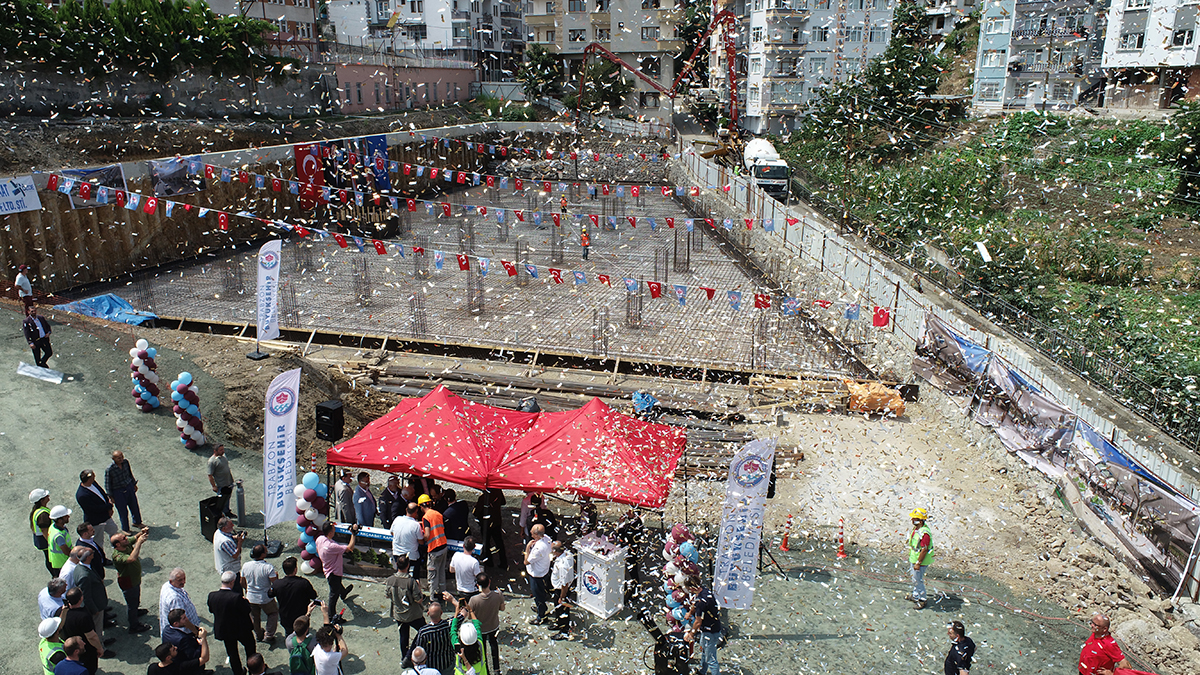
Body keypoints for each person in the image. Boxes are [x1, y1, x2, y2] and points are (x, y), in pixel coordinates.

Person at [208, 570, 258, 675]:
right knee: (250, 648)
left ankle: (238, 672)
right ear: (232, 582)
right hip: (241, 629)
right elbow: (246, 609)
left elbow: (211, 610)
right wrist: (245, 601)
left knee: (232, 653)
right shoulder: (236, 597)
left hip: (225, 630)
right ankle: (253, 669)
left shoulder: (212, 596)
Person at [111, 527, 154, 634]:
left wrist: (141, 533)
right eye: (124, 538)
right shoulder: (118, 556)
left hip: (134, 580)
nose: (126, 538)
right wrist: (139, 543)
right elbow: (131, 559)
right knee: (132, 604)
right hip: (128, 583)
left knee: (135, 600)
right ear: (118, 544)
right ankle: (134, 626)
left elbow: (134, 538)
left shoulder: (125, 544)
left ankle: (136, 612)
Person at [316, 521, 358, 616]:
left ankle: (343, 593)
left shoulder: (320, 539)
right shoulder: (332, 546)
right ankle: (331, 616)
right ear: (330, 533)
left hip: (327, 568)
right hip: (334, 572)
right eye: (334, 529)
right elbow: (350, 548)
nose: (335, 531)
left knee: (337, 584)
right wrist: (353, 534)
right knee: (333, 595)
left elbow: (317, 548)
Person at [61, 588, 109, 671]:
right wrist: (99, 648)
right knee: (90, 669)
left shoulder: (62, 613)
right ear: (81, 598)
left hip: (71, 649)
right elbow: (91, 636)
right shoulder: (83, 616)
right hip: (85, 650)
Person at [387, 557, 426, 655]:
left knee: (403, 637)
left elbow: (387, 595)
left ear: (396, 564)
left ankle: (404, 657)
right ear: (408, 566)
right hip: (413, 614)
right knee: (424, 631)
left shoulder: (390, 580)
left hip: (399, 614)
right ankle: (411, 653)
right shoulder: (411, 582)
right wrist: (419, 587)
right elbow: (419, 599)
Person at [467, 573, 505, 675]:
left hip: (480, 629)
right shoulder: (498, 595)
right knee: (494, 645)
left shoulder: (474, 599)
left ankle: (486, 670)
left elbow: (469, 616)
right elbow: (502, 608)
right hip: (493, 625)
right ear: (489, 582)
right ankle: (496, 669)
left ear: (477, 585)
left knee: (482, 650)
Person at [71, 548, 110, 643]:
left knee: (98, 627)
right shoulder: (84, 575)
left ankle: (101, 641)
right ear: (88, 557)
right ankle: (101, 647)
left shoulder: (80, 567)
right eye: (92, 553)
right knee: (97, 628)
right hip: (96, 605)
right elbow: (86, 597)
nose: (94, 554)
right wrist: (94, 610)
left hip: (98, 602)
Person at [273, 556, 318, 638]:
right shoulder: (303, 583)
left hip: (286, 617)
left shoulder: (277, 584)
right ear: (295, 570)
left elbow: (270, 594)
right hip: (301, 618)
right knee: (304, 636)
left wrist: (275, 582)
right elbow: (313, 595)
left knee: (289, 636)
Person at [243, 544, 280, 644]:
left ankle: (258, 635)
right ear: (263, 554)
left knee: (255, 617)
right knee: (273, 614)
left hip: (251, 597)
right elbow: (275, 582)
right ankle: (269, 635)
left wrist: (247, 589)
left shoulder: (246, 565)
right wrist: (276, 576)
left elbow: (242, 581)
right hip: (265, 598)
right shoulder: (268, 567)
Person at [684, 578, 721, 675]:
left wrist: (691, 633)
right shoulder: (704, 590)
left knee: (711, 659)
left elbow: (698, 622)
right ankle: (702, 672)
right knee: (704, 651)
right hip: (708, 629)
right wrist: (690, 612)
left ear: (692, 588)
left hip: (711, 632)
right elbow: (695, 603)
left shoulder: (701, 602)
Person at [105, 450, 144, 531]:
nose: (121, 459)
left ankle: (137, 522)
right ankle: (125, 529)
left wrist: (134, 484)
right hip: (118, 491)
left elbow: (130, 473)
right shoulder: (110, 469)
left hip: (129, 487)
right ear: (113, 459)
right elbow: (108, 483)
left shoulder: (125, 462)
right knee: (123, 511)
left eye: (122, 457)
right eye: (118, 458)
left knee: (134, 506)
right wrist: (111, 496)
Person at [410, 601, 453, 675]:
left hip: (431, 666)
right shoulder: (448, 625)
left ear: (428, 613)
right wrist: (453, 600)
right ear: (441, 613)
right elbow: (462, 614)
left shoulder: (423, 632)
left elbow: (419, 649)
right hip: (447, 663)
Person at [286, 602, 327, 675]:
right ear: (307, 630)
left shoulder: (289, 641)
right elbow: (326, 634)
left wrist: (307, 614)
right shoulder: (314, 643)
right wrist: (325, 613)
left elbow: (298, 628)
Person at [523, 524, 552, 625]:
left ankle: (541, 616)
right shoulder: (547, 538)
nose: (530, 533)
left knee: (538, 595)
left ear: (536, 534)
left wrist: (527, 548)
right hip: (544, 570)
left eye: (532, 532)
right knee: (542, 591)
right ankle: (542, 607)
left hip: (536, 574)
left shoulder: (538, 548)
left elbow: (526, 561)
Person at [159, 568, 201, 637]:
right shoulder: (175, 598)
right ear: (171, 581)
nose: (184, 581)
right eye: (180, 580)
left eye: (184, 578)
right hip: (185, 632)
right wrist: (195, 631)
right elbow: (182, 620)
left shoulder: (166, 585)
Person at [906, 508, 935, 609]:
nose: (912, 520)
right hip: (914, 558)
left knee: (918, 580)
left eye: (915, 518)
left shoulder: (924, 534)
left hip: (920, 561)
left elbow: (924, 550)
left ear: (921, 521)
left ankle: (922, 599)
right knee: (914, 579)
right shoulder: (917, 529)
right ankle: (915, 596)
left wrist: (918, 563)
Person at [421, 494, 449, 595]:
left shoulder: (426, 517)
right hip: (443, 546)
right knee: (441, 573)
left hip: (434, 549)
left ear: (421, 506)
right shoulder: (438, 514)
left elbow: (427, 535)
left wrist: (421, 538)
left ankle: (433, 598)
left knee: (432, 575)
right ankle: (443, 594)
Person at [75, 470, 117, 537]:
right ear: (89, 479)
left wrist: (109, 508)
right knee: (98, 539)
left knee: (114, 531)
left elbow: (102, 493)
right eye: (93, 476)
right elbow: (93, 509)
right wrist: (108, 506)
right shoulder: (82, 495)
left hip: (106, 516)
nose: (94, 477)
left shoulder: (93, 483)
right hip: (96, 521)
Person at [617, 508, 646, 604]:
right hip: (631, 550)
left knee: (632, 572)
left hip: (631, 552)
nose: (626, 512)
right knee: (632, 571)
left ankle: (633, 592)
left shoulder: (634, 525)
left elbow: (623, 536)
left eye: (629, 511)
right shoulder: (636, 522)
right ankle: (632, 589)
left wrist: (621, 524)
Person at [473, 489, 507, 569]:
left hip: (486, 524)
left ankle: (489, 562)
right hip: (497, 522)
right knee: (499, 542)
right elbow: (503, 502)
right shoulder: (498, 492)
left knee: (486, 543)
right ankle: (503, 562)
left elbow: (476, 512)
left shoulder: (483, 498)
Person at [549, 541, 575, 640]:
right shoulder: (568, 554)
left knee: (563, 611)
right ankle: (559, 623)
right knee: (558, 608)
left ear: (555, 551)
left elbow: (565, 585)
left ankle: (564, 632)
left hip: (562, 591)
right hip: (560, 589)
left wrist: (562, 597)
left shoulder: (563, 565)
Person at [392, 502, 425, 572]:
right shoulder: (416, 525)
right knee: (413, 576)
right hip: (411, 556)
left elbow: (392, 532)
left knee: (399, 573)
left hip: (397, 553)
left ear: (406, 510)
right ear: (416, 512)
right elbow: (421, 541)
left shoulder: (397, 519)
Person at [207, 444, 236, 519]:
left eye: (223, 449)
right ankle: (222, 516)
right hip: (221, 485)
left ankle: (227, 512)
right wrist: (214, 486)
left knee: (227, 498)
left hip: (229, 482)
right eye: (221, 450)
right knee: (222, 501)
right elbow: (210, 475)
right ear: (215, 451)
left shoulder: (223, 456)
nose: (223, 451)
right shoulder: (212, 461)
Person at [31, 487, 55, 575]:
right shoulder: (42, 515)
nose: (48, 496)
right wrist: (51, 543)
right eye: (46, 496)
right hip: (45, 541)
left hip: (42, 541)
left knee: (48, 558)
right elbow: (44, 530)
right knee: (51, 559)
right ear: (42, 500)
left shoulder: (39, 510)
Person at [47, 505, 74, 577]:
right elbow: (66, 551)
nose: (68, 516)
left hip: (58, 562)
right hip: (62, 564)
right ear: (59, 520)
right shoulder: (59, 536)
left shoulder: (53, 526)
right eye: (66, 516)